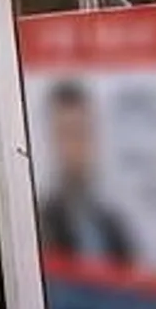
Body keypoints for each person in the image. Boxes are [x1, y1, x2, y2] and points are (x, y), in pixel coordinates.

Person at [32, 78, 136, 269]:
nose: (75, 147)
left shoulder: (111, 223)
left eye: (81, 133)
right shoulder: (41, 222)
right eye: (66, 134)